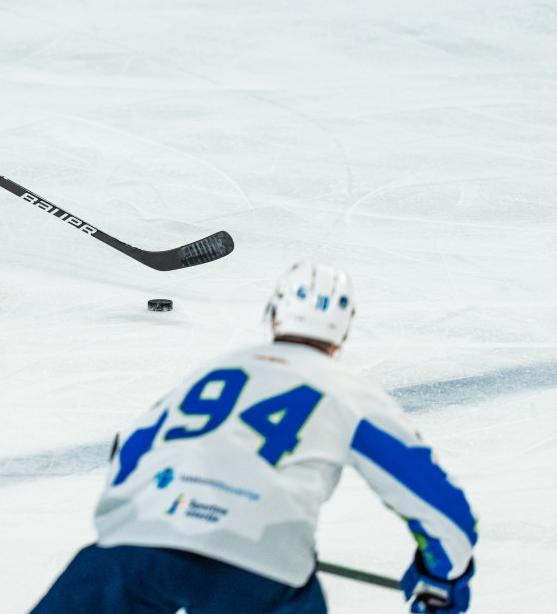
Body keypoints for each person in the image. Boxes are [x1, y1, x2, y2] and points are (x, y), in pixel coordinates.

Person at [29, 261, 477, 614]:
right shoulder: (354, 395)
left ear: (274, 313)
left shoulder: (215, 371)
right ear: (343, 330)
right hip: (260, 566)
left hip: (136, 550)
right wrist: (441, 579)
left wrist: (151, 523)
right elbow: (442, 510)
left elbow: (130, 449)